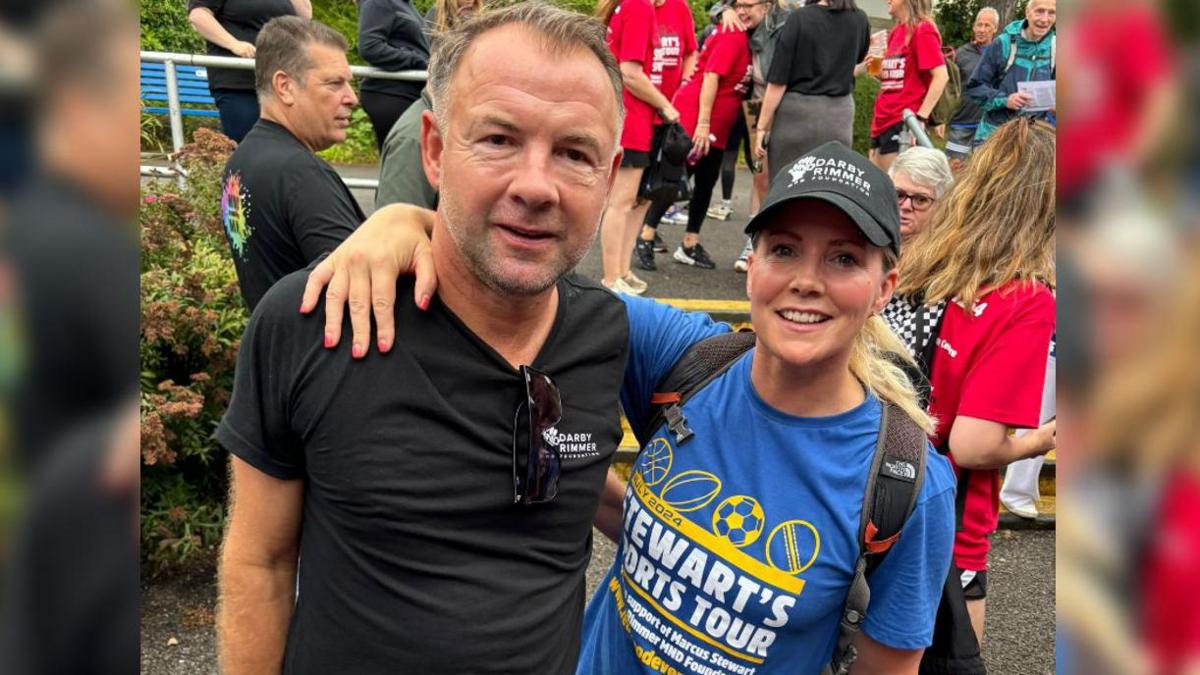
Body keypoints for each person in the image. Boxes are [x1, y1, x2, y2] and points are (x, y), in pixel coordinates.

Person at [301, 142, 957, 675]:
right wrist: (404, 222)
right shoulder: (687, 359)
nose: (807, 279)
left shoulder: (907, 482)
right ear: (752, 263)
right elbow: (528, 276)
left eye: (844, 258)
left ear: (883, 287)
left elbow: (887, 665)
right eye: (784, 249)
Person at [216, 4, 629, 672]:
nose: (535, 185)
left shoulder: (608, 332)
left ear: (608, 178)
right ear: (435, 150)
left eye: (574, 153)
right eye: (497, 139)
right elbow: (258, 561)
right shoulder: (313, 319)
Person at [882, 118, 1057, 645]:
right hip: (947, 515)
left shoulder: (928, 261)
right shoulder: (1024, 298)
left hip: (874, 484)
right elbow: (975, 444)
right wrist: (1049, 435)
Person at [219, 16, 365, 311]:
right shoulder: (300, 174)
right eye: (334, 83)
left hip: (275, 347)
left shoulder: (239, 163)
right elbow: (360, 290)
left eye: (349, 83)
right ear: (284, 87)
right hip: (318, 351)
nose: (352, 98)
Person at [633, 0, 762, 273]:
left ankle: (690, 243)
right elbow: (711, 78)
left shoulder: (747, 36)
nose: (742, 11)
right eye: (738, 5)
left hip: (717, 127)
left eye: (749, 5)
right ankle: (645, 236)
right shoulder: (732, 34)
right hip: (699, 119)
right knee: (677, 179)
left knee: (705, 183)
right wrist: (702, 124)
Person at [595, 0, 691, 294]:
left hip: (649, 120)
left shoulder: (652, 6)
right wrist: (666, 105)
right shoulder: (638, 6)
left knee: (641, 199)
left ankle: (623, 269)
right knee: (622, 202)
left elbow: (688, 52)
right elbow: (630, 72)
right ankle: (612, 277)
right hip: (634, 118)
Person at [752, 0, 870, 184]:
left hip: (797, 116)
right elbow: (855, 60)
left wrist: (761, 127)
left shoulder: (800, 18)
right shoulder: (860, 19)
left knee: (786, 186)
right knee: (827, 189)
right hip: (839, 116)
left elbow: (778, 81)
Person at [187, 0, 311, 143]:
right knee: (249, 145)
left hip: (279, 84)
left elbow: (304, 17)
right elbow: (198, 16)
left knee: (285, 148)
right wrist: (233, 44)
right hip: (239, 83)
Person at [866, 0, 948, 171]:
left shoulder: (922, 29)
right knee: (876, 189)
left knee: (892, 190)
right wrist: (880, 72)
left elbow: (941, 76)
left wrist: (918, 120)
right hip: (881, 120)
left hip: (902, 121)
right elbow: (896, 80)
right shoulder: (897, 31)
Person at [964, 0, 1056, 147]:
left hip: (1033, 140)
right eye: (1039, 11)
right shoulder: (1003, 43)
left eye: (1051, 13)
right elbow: (974, 88)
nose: (1045, 19)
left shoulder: (1056, 48)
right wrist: (1006, 100)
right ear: (1027, 12)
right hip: (995, 135)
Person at [357, 0, 430, 151]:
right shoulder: (379, 2)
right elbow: (370, 46)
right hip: (391, 94)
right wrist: (416, 60)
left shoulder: (406, 5)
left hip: (410, 94)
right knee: (402, 161)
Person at [943, 6, 998, 166]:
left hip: (989, 123)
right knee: (954, 168)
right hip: (962, 121)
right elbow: (949, 88)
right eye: (979, 25)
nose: (981, 29)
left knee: (983, 169)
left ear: (995, 29)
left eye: (987, 25)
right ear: (973, 27)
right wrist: (942, 119)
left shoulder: (1000, 53)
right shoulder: (961, 54)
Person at [887, 146, 953, 242]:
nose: (906, 206)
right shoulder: (864, 240)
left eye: (921, 200)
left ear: (941, 206)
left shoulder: (952, 253)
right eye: (898, 195)